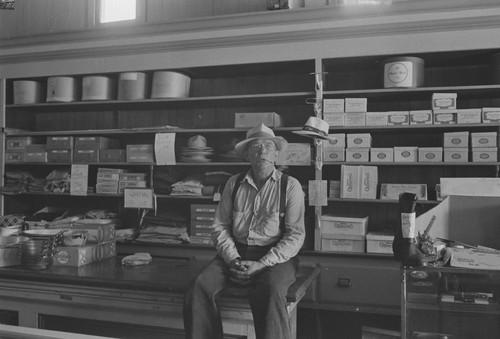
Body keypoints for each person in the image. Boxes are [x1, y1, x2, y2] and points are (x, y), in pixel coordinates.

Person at [183, 123, 306, 339]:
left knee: (270, 291)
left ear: (276, 153)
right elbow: (219, 227)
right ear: (246, 154)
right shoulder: (234, 183)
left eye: (269, 146)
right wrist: (233, 260)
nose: (263, 151)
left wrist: (262, 263)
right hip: (236, 253)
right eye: (256, 147)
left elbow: (295, 235)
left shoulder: (291, 186)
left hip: (276, 257)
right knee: (199, 287)